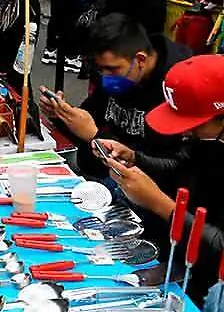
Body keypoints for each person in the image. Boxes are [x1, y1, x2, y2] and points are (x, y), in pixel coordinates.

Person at [96, 54, 224, 305]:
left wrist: (160, 204)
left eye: (194, 124)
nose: (187, 131)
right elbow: (182, 163)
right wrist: (136, 158)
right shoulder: (206, 140)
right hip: (187, 255)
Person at [39, 13, 191, 190]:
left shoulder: (175, 90)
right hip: (102, 174)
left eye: (112, 69)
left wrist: (94, 135)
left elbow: (163, 169)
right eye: (101, 69)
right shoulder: (118, 74)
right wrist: (63, 115)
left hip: (140, 189)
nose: (106, 76)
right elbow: (88, 120)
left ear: (140, 60)